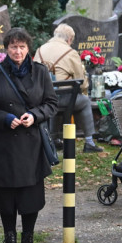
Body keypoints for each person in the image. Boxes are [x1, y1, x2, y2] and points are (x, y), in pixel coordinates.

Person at [0, 28, 59, 243]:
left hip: (31, 144)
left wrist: (34, 115)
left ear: (28, 48)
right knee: (6, 197)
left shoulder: (40, 72)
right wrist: (4, 118)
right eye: (13, 47)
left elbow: (52, 103)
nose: (18, 51)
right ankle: (9, 241)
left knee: (30, 196)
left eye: (22, 46)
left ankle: (27, 242)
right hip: (4, 143)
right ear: (6, 49)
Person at [33, 24, 101, 153]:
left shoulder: (40, 50)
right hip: (62, 100)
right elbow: (81, 82)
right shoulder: (70, 53)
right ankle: (89, 142)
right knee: (83, 101)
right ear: (69, 39)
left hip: (41, 99)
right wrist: (84, 91)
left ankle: (54, 139)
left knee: (57, 97)